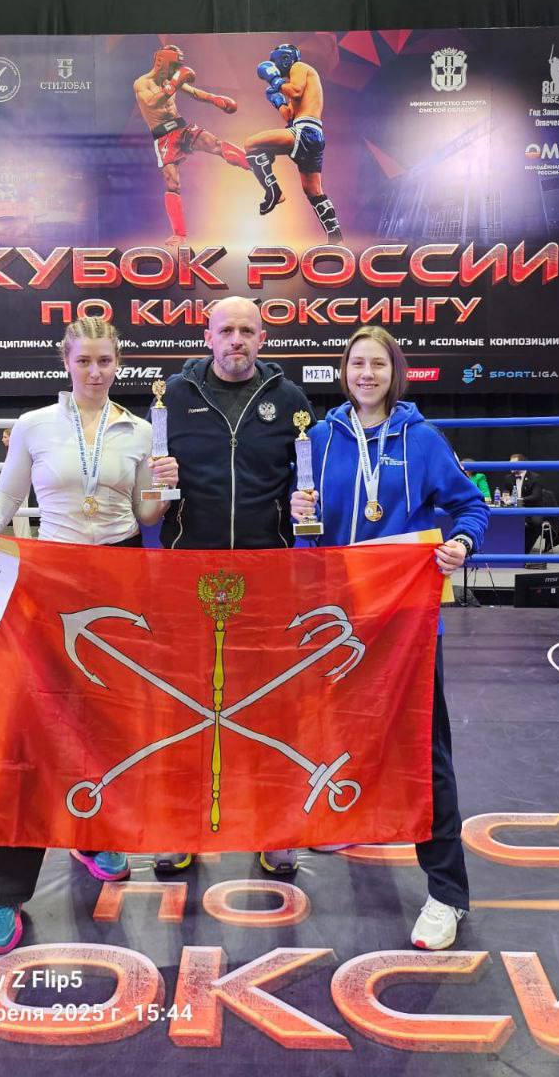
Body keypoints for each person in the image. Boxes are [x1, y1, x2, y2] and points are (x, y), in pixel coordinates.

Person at [0, 316, 179, 956]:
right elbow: (5, 498)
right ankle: (1, 893)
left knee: (107, 724)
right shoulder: (34, 425)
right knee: (27, 734)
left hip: (119, 581)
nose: (95, 371)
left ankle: (94, 833)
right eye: (84, 360)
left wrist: (161, 493)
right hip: (49, 582)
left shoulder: (140, 430)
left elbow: (143, 513)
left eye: (105, 361)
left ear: (118, 363)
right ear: (66, 361)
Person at [290, 326, 488, 951]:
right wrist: (298, 516)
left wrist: (461, 543)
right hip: (340, 621)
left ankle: (447, 893)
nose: (367, 374)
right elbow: (304, 525)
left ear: (394, 372)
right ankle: (353, 819)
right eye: (357, 363)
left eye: (378, 363)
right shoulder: (319, 438)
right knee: (343, 735)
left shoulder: (421, 438)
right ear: (344, 371)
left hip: (406, 621)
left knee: (425, 752)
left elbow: (472, 506)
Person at [156, 295, 316, 876]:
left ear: (262, 338)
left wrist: (303, 504)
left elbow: (305, 482)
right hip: (187, 572)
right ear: (208, 336)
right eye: (226, 330)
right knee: (184, 705)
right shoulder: (173, 397)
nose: (236, 340)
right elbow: (148, 484)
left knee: (268, 704)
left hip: (266, 573)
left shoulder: (290, 400)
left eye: (247, 330)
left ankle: (274, 827)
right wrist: (154, 480)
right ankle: (181, 825)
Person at [133, 43, 249, 247]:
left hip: (181, 127)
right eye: (174, 65)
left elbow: (194, 92)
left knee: (214, 143)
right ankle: (179, 234)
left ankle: (255, 165)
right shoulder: (142, 83)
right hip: (163, 136)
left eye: (178, 66)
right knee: (172, 183)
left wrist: (214, 99)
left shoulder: (171, 79)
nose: (176, 70)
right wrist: (173, 84)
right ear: (162, 63)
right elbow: (151, 103)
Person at [244, 42, 342, 243]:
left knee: (251, 144)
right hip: (310, 134)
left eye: (275, 61)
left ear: (285, 58)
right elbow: (289, 116)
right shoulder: (292, 81)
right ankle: (337, 239)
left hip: (305, 131)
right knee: (314, 192)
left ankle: (274, 191)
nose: (274, 65)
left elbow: (295, 91)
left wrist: (274, 80)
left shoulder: (299, 67)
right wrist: (278, 101)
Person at [504, 454, 544, 552]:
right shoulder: (508, 478)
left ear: (522, 464)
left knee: (536, 523)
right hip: (513, 508)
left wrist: (518, 500)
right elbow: (506, 493)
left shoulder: (535, 477)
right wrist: (505, 497)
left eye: (513, 464)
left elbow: (536, 496)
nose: (510, 466)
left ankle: (524, 551)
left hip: (532, 508)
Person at [0, 429, 32, 539]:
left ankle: (24, 540)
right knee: (16, 516)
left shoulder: (18, 451)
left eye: (5, 437)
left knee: (20, 515)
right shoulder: (13, 450)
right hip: (14, 485)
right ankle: (22, 539)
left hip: (18, 484)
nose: (2, 439)